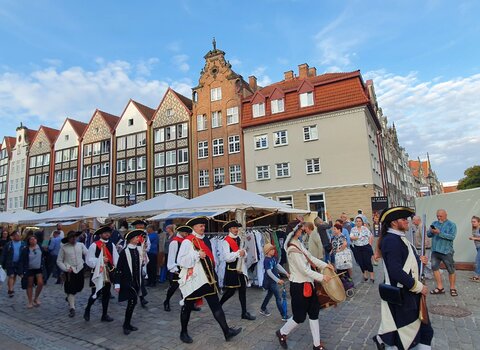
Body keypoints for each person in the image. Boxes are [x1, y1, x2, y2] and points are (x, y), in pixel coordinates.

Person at [373, 206, 433, 350]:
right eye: (403, 219)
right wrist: (420, 287)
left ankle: (382, 338)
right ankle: (383, 339)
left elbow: (406, 261)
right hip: (403, 294)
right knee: (407, 336)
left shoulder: (399, 238)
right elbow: (396, 271)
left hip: (408, 292)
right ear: (394, 223)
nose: (407, 221)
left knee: (420, 332)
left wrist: (420, 260)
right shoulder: (392, 241)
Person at [177, 216, 241, 344]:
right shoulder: (187, 241)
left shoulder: (206, 239)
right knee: (188, 307)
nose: (203, 228)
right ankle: (183, 332)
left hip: (209, 279)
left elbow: (211, 259)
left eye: (204, 226)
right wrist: (196, 254)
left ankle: (227, 332)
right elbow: (181, 261)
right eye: (200, 226)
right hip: (195, 281)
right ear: (194, 227)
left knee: (216, 306)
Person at [276, 222, 333, 350]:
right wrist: (322, 277)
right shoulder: (292, 249)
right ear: (294, 231)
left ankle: (317, 345)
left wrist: (325, 265)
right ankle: (282, 332)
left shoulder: (298, 243)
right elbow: (304, 270)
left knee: (314, 313)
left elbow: (310, 257)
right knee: (299, 317)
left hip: (308, 284)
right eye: (300, 229)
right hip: (299, 287)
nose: (302, 230)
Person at [219, 220, 255, 321]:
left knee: (242, 292)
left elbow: (244, 251)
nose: (236, 230)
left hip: (241, 270)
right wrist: (238, 253)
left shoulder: (239, 239)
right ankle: (219, 305)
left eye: (237, 228)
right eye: (234, 228)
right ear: (230, 229)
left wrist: (243, 253)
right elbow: (227, 257)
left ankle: (244, 313)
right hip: (232, 270)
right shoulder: (225, 241)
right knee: (230, 292)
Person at [83, 225, 119, 323]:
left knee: (106, 294)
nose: (107, 234)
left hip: (108, 272)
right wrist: (101, 260)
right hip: (98, 273)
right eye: (105, 232)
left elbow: (116, 258)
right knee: (96, 294)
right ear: (100, 234)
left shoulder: (111, 245)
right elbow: (89, 260)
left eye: (108, 232)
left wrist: (117, 268)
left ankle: (104, 314)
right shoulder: (94, 245)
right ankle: (87, 309)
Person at [114, 229, 144, 335]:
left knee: (133, 302)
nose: (138, 239)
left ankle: (128, 324)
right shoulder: (124, 252)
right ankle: (125, 325)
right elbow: (119, 268)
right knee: (131, 303)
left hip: (136, 281)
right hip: (127, 282)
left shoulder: (138, 250)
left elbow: (141, 264)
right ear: (131, 239)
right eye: (136, 237)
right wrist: (117, 283)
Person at [163, 225, 195, 312]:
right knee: (173, 287)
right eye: (185, 232)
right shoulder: (174, 242)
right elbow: (171, 257)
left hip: (185, 267)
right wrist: (174, 269)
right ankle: (166, 301)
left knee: (186, 286)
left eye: (187, 233)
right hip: (176, 269)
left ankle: (188, 304)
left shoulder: (186, 241)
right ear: (180, 232)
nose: (186, 234)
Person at [57, 230, 88, 317]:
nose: (74, 239)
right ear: (68, 239)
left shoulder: (81, 245)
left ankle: (70, 297)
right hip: (70, 271)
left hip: (80, 269)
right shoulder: (64, 248)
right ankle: (72, 308)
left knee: (79, 287)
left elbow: (88, 254)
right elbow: (59, 261)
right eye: (72, 237)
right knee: (70, 290)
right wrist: (66, 268)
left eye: (75, 237)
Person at [427, 209, 457, 296]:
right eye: (437, 216)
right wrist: (431, 231)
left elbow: (452, 237)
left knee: (451, 269)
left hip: (446, 251)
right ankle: (440, 287)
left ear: (446, 215)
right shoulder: (434, 223)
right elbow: (429, 235)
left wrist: (439, 233)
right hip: (435, 251)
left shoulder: (452, 225)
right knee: (434, 268)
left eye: (441, 216)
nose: (439, 218)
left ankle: (452, 288)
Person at [260, 243, 290, 321]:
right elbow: (269, 272)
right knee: (278, 298)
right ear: (267, 251)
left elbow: (278, 265)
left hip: (273, 281)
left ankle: (263, 308)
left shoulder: (273, 258)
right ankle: (284, 315)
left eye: (273, 249)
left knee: (269, 295)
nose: (274, 251)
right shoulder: (266, 260)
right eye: (272, 249)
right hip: (270, 282)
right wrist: (277, 280)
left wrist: (286, 273)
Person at [20, 235, 45, 308]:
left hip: (38, 268)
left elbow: (45, 255)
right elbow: (22, 260)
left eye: (34, 239)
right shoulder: (26, 249)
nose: (33, 240)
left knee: (40, 283)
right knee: (30, 284)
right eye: (31, 239)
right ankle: (30, 301)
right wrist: (21, 271)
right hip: (29, 269)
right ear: (29, 241)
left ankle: (36, 298)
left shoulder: (40, 247)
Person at [130, 219, 150, 307]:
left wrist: (145, 248)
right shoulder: (131, 235)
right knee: (135, 279)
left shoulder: (145, 235)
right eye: (139, 225)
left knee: (140, 278)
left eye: (142, 225)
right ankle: (136, 296)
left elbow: (148, 245)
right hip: (133, 257)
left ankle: (142, 298)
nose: (141, 227)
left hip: (142, 258)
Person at [350, 216, 375, 282]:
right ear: (355, 222)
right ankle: (365, 275)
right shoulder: (353, 229)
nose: (358, 222)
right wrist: (356, 237)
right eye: (357, 221)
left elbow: (371, 236)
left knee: (367, 261)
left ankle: (372, 276)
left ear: (362, 222)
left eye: (359, 221)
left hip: (365, 247)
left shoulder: (365, 229)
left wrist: (369, 244)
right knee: (361, 262)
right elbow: (351, 237)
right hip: (357, 248)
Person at [1, 231, 25, 297]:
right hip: (10, 262)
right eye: (17, 235)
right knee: (11, 275)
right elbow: (4, 254)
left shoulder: (23, 244)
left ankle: (10, 288)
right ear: (13, 236)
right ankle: (11, 290)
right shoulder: (8, 244)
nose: (19, 236)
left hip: (19, 263)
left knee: (14, 276)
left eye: (19, 235)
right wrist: (1, 263)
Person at [469, 216, 480, 282]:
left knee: (477, 261)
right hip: (478, 247)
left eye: (474, 222)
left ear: (479, 222)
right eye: (472, 222)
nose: (473, 223)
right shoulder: (474, 229)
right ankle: (477, 276)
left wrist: (474, 238)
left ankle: (477, 276)